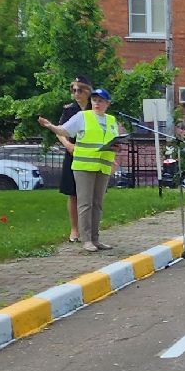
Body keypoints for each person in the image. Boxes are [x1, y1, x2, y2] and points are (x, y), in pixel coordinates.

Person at [40, 88, 124, 250]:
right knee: (85, 203)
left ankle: (95, 238)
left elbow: (111, 141)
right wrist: (50, 126)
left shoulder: (111, 120)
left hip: (103, 166)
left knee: (97, 203)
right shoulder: (82, 116)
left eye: (101, 101)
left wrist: (116, 148)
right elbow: (64, 130)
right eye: (94, 100)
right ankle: (86, 239)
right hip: (84, 166)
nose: (97, 103)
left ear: (107, 103)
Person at [54, 76, 94, 242]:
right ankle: (75, 230)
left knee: (91, 194)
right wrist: (68, 145)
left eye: (80, 90)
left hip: (92, 154)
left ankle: (91, 230)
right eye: (74, 90)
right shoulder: (70, 110)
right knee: (73, 193)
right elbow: (60, 130)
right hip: (73, 153)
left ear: (88, 91)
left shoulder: (95, 106)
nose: (76, 93)